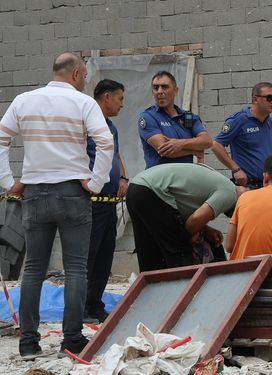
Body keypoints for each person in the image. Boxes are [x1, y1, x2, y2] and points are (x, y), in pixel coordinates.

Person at [0, 52, 114, 356]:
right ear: (76, 73)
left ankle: (28, 343)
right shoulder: (83, 102)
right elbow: (105, 142)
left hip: (35, 193)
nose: (85, 82)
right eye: (85, 76)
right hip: (73, 193)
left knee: (34, 269)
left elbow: (1, 137)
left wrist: (9, 182)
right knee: (76, 268)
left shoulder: (24, 100)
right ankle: (72, 339)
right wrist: (96, 182)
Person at [126, 163, 236, 272]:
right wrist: (187, 236)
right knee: (180, 255)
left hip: (136, 187)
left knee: (150, 258)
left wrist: (204, 229)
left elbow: (183, 207)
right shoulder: (231, 193)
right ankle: (182, 288)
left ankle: (150, 289)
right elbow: (196, 219)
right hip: (154, 192)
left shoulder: (221, 182)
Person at [85, 79, 128, 323]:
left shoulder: (111, 128)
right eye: (120, 99)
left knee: (105, 254)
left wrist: (122, 176)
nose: (122, 104)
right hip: (92, 202)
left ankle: (95, 305)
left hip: (110, 200)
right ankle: (82, 307)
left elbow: (115, 154)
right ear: (107, 97)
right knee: (89, 255)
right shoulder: (86, 124)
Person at [138, 71, 212, 169]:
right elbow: (165, 150)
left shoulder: (187, 117)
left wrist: (180, 143)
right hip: (159, 180)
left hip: (185, 179)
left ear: (175, 91)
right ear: (153, 92)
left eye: (165, 87)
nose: (159, 91)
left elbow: (207, 141)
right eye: (156, 88)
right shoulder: (148, 117)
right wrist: (195, 150)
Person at [211, 82, 272, 189]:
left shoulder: (268, 119)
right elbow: (216, 145)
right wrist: (236, 170)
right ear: (255, 99)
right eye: (269, 98)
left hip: (268, 184)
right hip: (249, 185)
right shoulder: (239, 119)